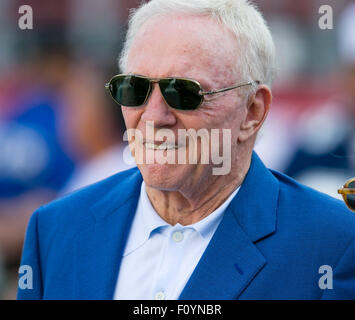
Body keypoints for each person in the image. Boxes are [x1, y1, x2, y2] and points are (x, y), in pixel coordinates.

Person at [18, 0, 355, 300]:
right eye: (134, 88)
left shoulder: (333, 243)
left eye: (183, 92)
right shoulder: (55, 229)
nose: (153, 117)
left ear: (252, 112)